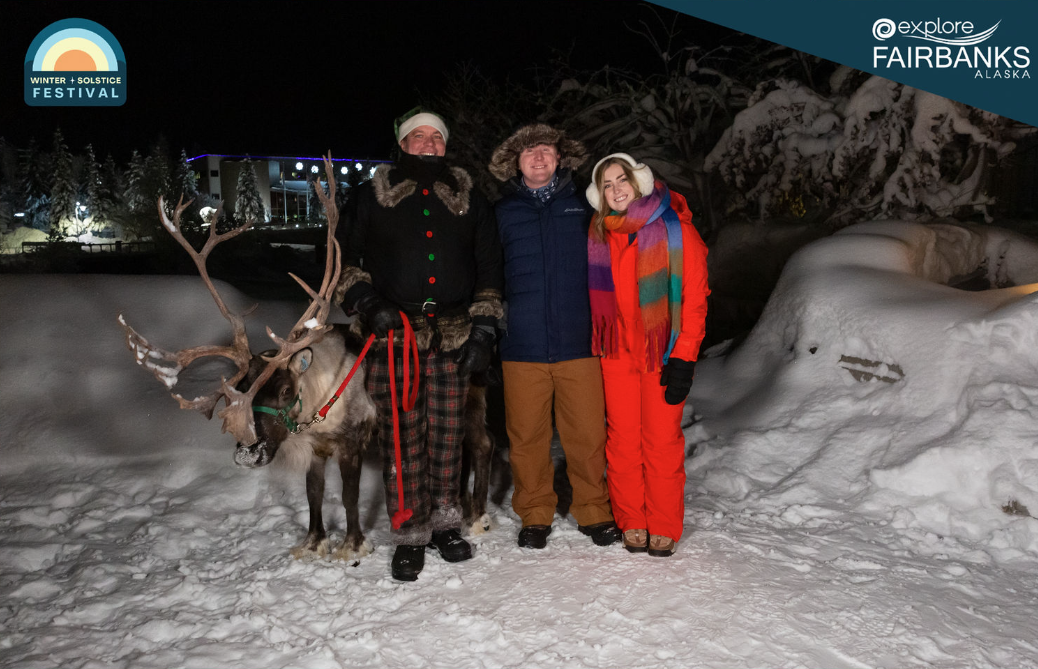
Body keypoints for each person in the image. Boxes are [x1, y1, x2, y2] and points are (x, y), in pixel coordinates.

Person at [335, 110, 504, 581]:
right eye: (418, 136)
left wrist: (484, 330)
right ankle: (410, 531)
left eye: (436, 137)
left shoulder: (470, 198)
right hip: (394, 337)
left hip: (453, 336)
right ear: (402, 143)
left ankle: (446, 524)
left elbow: (490, 266)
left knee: (448, 437)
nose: (429, 143)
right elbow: (342, 258)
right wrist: (368, 303)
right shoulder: (370, 195)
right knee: (402, 440)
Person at [488, 124, 621, 549]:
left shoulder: (586, 205)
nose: (539, 157)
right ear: (517, 161)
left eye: (546, 149)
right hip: (522, 344)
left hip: (579, 341)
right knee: (527, 438)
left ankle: (593, 510)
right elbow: (488, 273)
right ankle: (534, 513)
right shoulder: (501, 212)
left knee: (587, 436)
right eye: (529, 152)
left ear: (560, 157)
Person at [585, 153, 709, 557]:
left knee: (661, 441)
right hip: (617, 353)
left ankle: (664, 523)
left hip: (662, 352)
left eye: (621, 179)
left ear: (638, 181)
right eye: (607, 185)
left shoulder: (677, 230)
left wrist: (685, 357)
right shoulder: (601, 234)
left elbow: (694, 301)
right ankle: (632, 520)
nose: (616, 189)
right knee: (622, 441)